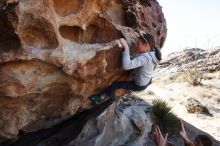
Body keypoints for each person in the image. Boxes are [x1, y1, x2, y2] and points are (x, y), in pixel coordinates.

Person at [90, 32, 162, 104]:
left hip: (139, 85)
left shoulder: (145, 58)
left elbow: (126, 66)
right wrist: (144, 35)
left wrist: (126, 48)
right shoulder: (152, 53)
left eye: (138, 43)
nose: (136, 45)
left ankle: (103, 97)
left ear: (146, 45)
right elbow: (151, 43)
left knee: (115, 85)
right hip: (146, 80)